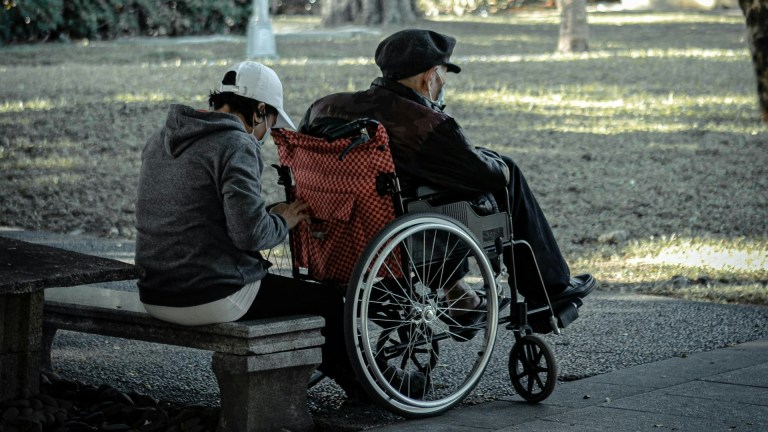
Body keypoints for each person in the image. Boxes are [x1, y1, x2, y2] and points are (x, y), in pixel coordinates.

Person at [299, 29, 596, 331]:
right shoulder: (425, 123)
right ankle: (550, 289)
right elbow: (487, 175)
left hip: (338, 225)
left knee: (426, 193)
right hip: (402, 226)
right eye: (443, 74)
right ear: (430, 77)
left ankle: (461, 294)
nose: (443, 83)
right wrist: (496, 162)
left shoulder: (324, 108)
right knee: (507, 173)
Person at [134, 61, 362, 397]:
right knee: (327, 301)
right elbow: (250, 235)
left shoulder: (162, 138)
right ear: (258, 111)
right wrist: (283, 221)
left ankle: (346, 378)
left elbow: (202, 212)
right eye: (270, 121)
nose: (266, 133)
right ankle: (364, 390)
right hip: (209, 295)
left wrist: (268, 214)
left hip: (154, 292)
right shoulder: (236, 143)